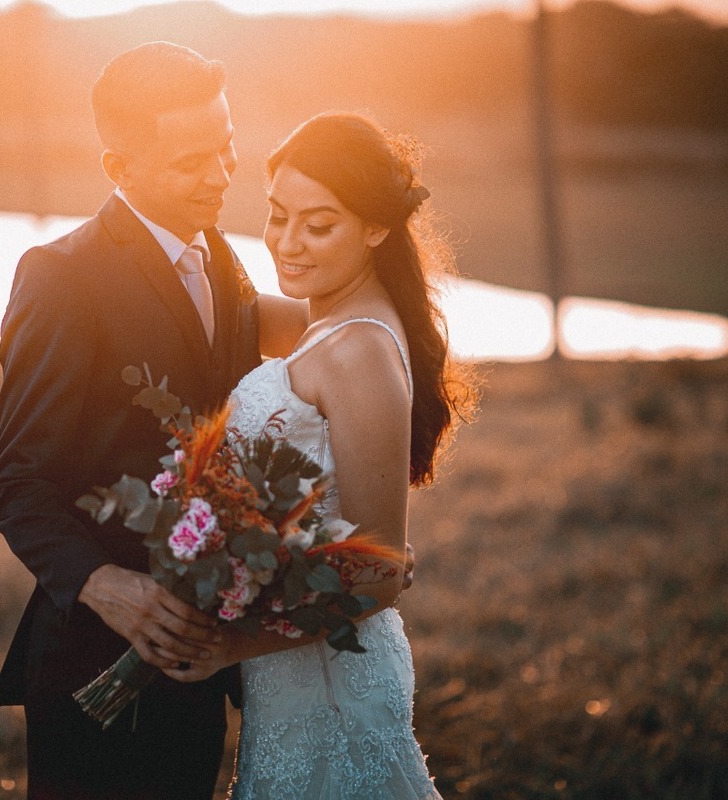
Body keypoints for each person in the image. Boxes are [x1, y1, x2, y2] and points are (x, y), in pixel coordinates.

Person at [0, 42, 307, 798]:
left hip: (200, 661)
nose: (221, 175)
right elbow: (17, 484)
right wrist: (108, 587)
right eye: (192, 161)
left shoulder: (222, 257)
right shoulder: (62, 277)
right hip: (92, 665)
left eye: (226, 149)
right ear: (119, 169)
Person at [164, 112, 475, 798]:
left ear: (376, 226)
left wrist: (230, 644)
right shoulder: (319, 320)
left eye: (319, 223)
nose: (288, 243)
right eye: (277, 216)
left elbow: (379, 575)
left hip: (332, 677)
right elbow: (216, 315)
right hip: (291, 674)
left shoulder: (360, 349)